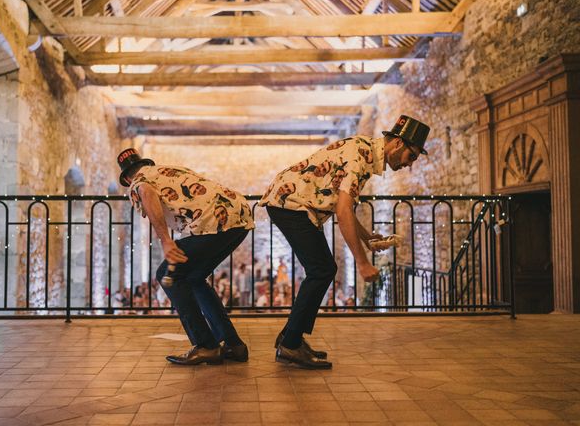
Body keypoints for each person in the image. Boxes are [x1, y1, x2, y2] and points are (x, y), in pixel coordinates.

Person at [259, 115, 430, 369]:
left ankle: (290, 338)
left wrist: (366, 236)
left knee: (322, 269)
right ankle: (290, 344)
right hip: (290, 204)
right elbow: (342, 211)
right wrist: (362, 262)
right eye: (411, 156)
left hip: (294, 204)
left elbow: (344, 206)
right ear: (396, 144)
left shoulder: (364, 153)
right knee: (322, 269)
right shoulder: (360, 156)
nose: (410, 164)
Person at [117, 148, 255, 365]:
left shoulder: (138, 181)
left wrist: (166, 241)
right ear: (146, 163)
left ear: (126, 177)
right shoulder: (169, 170)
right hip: (239, 214)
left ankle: (206, 345)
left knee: (166, 275)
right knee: (194, 278)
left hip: (212, 223)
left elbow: (146, 192)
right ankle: (233, 344)